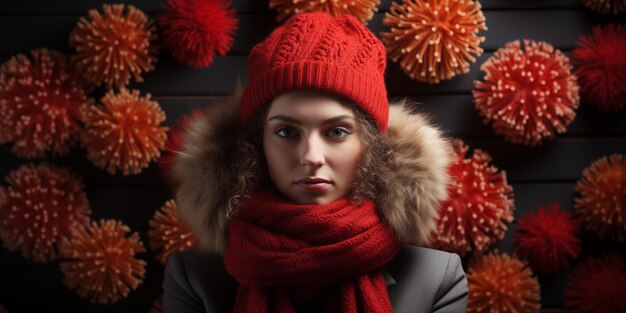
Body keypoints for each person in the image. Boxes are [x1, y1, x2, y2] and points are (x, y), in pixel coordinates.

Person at [163, 11, 468, 313]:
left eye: (336, 131)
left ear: (371, 146)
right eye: (286, 131)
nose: (311, 156)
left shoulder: (435, 279)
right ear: (255, 146)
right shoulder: (195, 278)